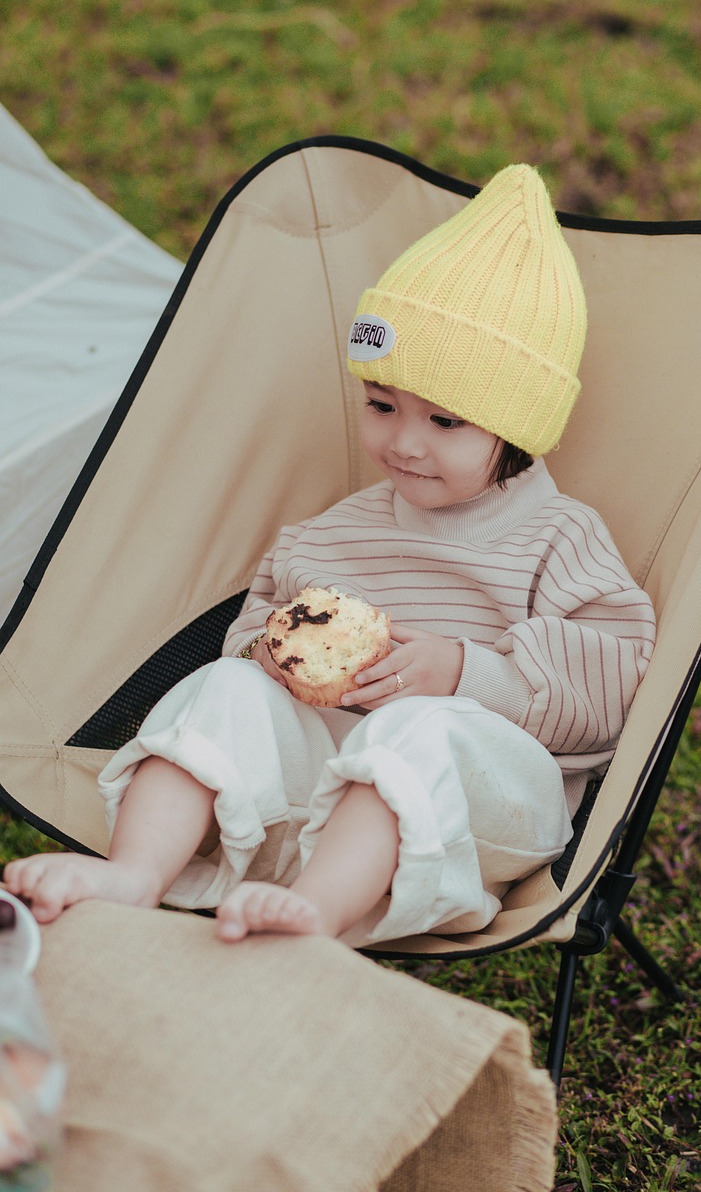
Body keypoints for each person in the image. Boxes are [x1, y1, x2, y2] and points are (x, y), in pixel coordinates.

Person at [3, 165, 656, 947]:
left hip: (477, 806)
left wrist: (463, 672)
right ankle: (135, 871)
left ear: (514, 430)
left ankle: (316, 909)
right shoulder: (330, 535)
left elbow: (614, 690)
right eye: (382, 407)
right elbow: (245, 637)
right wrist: (269, 657)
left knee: (418, 728)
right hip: (311, 796)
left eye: (445, 422)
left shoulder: (558, 538)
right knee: (223, 689)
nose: (403, 443)